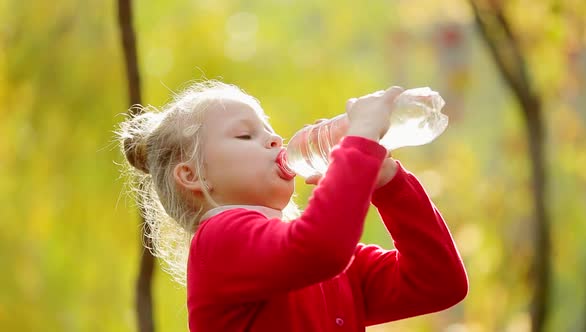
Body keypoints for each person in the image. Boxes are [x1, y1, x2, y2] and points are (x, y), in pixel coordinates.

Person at [117, 80, 468, 331]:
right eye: (245, 135)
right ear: (192, 175)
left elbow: (438, 283)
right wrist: (358, 144)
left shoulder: (323, 263)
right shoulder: (220, 240)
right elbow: (321, 247)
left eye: (269, 131)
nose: (273, 139)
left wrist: (389, 182)